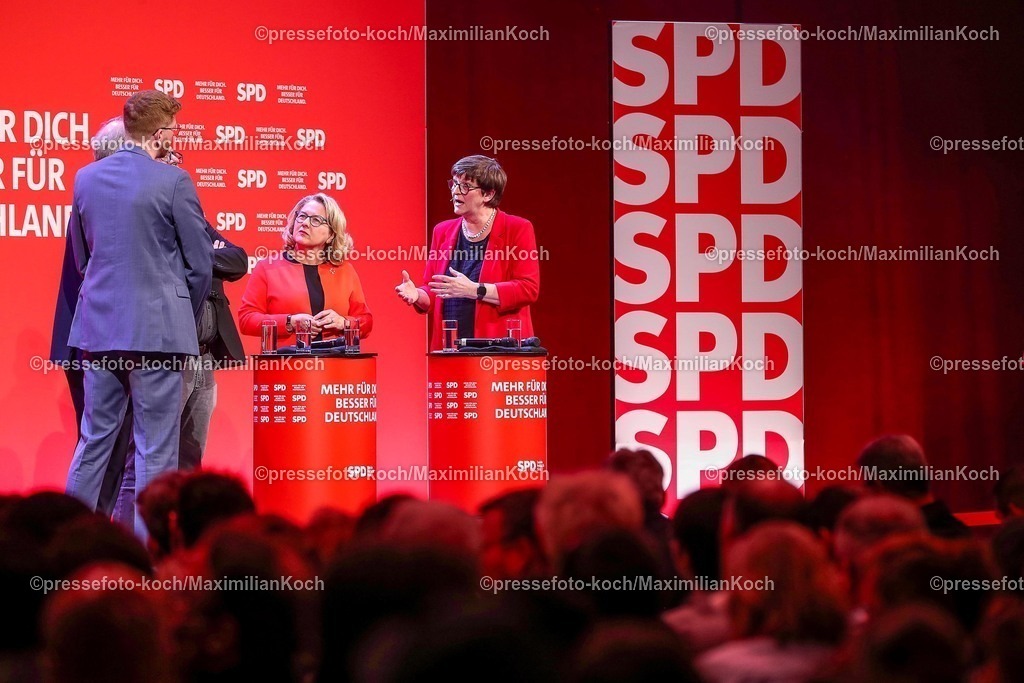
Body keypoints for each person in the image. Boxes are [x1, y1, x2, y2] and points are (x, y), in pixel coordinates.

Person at [65, 90, 212, 539]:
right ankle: (151, 555)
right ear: (161, 134)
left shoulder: (86, 178)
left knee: (94, 440)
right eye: (174, 131)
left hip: (100, 328)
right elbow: (200, 265)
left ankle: (65, 542)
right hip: (159, 332)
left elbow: (82, 258)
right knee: (155, 448)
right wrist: (178, 310)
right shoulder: (174, 181)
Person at [103, 147, 248, 531]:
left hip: (204, 357)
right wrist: (199, 256)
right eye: (165, 164)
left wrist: (197, 255)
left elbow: (238, 259)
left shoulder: (193, 217)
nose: (175, 174)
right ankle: (134, 543)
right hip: (167, 351)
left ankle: (177, 541)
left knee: (190, 459)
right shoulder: (144, 219)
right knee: (148, 459)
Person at [49, 116, 134, 519]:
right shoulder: (106, 204)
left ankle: (94, 532)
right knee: (105, 445)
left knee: (110, 445)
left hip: (93, 336)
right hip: (96, 337)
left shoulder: (95, 196)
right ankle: (84, 533)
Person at [395, 155, 539, 349]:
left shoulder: (517, 228)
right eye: (454, 184)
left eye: (465, 186)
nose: (455, 191)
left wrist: (474, 290)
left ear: (488, 194)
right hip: (450, 346)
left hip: (497, 347)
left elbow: (527, 289)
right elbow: (435, 290)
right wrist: (417, 295)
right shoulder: (442, 231)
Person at [238, 193, 372, 342]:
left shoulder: (345, 271)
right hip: (286, 356)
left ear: (331, 235)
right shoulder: (267, 267)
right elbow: (246, 320)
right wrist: (289, 322)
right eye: (302, 216)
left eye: (316, 220)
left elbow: (366, 322)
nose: (305, 223)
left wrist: (344, 323)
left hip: (335, 356)